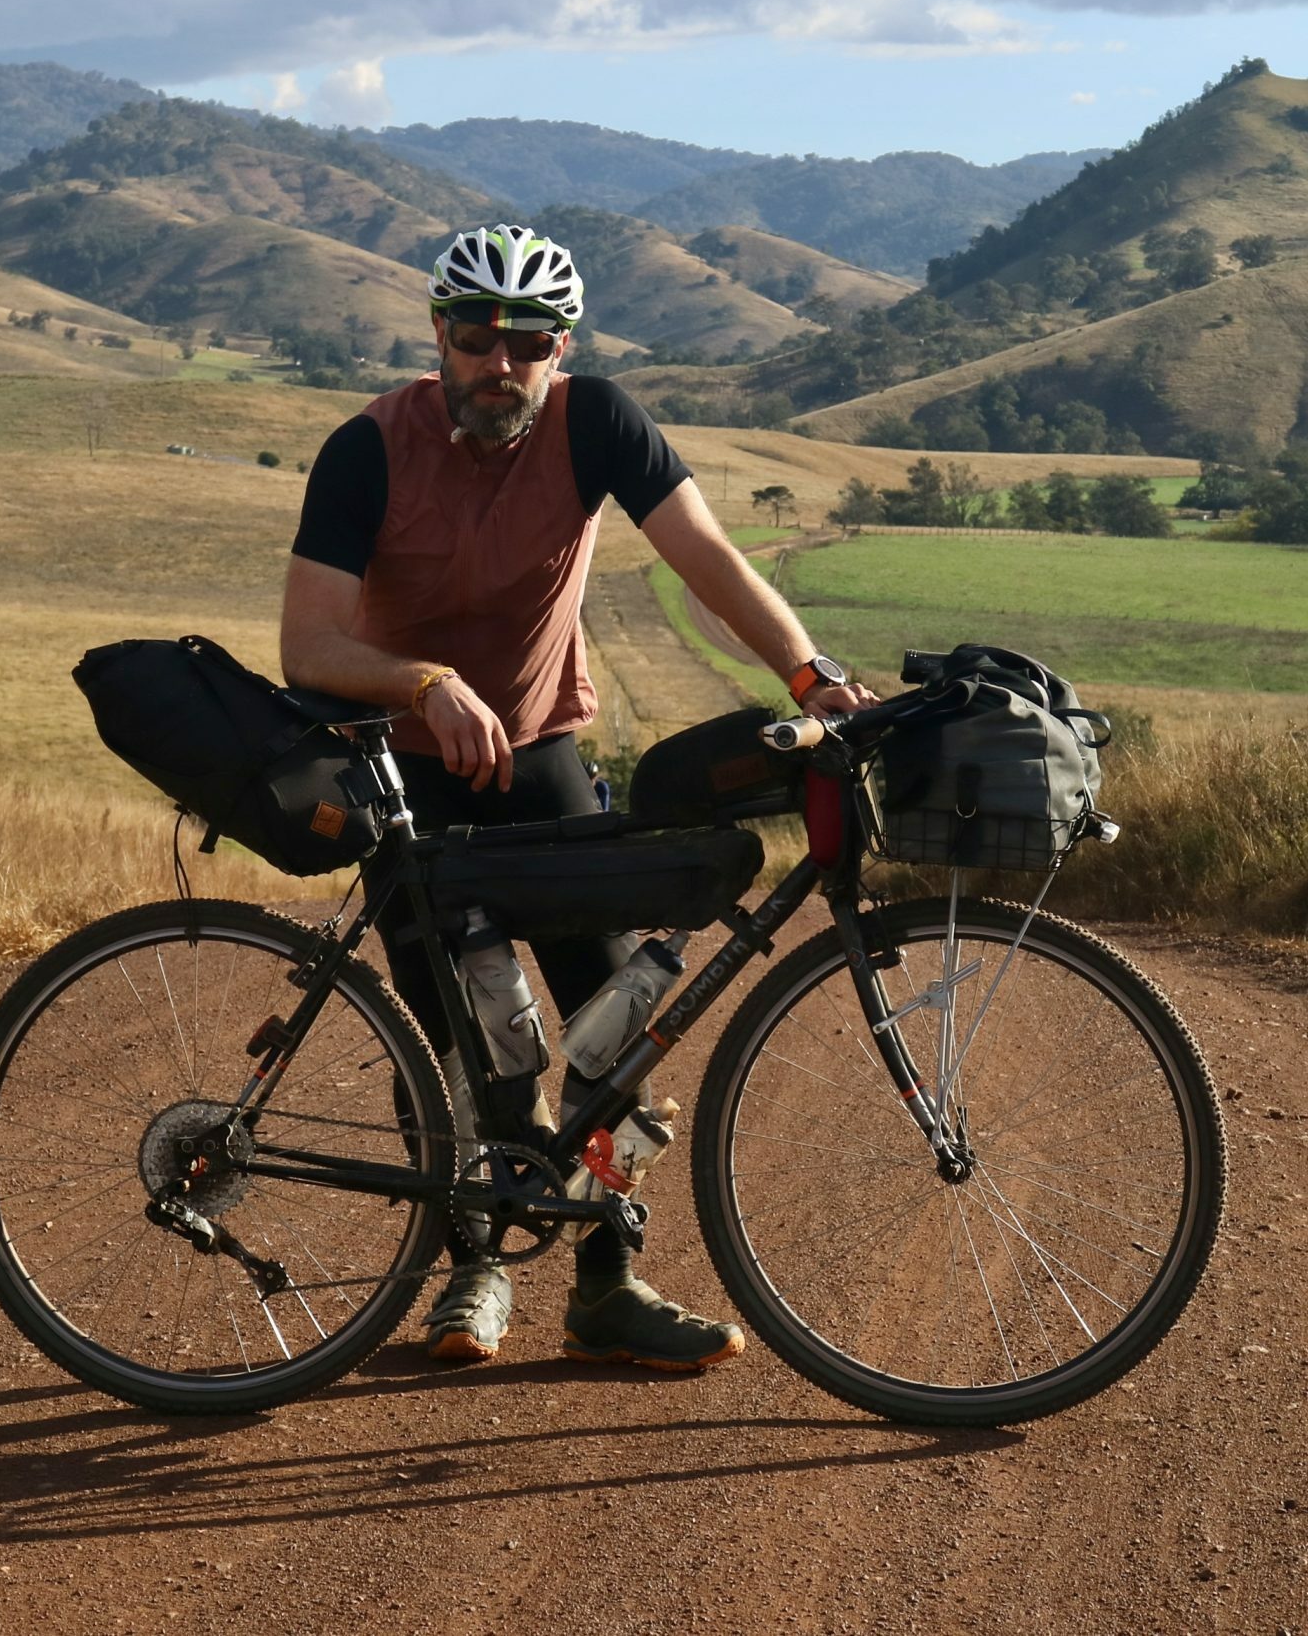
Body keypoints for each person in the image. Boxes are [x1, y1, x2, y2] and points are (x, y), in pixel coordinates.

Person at [279, 223, 873, 1371]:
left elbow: (704, 559)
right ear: (437, 336)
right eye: (474, 337)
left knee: (614, 1037)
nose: (499, 365)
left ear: (563, 347)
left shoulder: (595, 421)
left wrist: (805, 672)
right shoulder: (369, 449)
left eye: (528, 342)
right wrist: (424, 682)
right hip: (407, 771)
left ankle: (605, 1283)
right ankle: (472, 1274)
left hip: (541, 751)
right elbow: (307, 645)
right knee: (458, 1044)